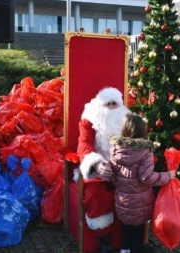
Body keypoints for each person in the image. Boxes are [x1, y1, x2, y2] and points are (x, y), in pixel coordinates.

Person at [108, 114, 175, 253]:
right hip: (140, 201)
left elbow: (112, 174)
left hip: (122, 199)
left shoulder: (116, 148)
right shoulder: (145, 151)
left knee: (126, 226)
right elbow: (146, 178)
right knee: (138, 229)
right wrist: (166, 176)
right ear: (142, 130)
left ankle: (124, 249)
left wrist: (120, 185)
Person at [77, 87, 130, 252]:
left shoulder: (128, 120)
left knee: (138, 193)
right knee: (97, 194)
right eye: (109, 104)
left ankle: (132, 241)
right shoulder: (89, 120)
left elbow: (137, 142)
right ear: (101, 106)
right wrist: (97, 164)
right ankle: (104, 241)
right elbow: (84, 145)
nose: (112, 107)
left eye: (115, 104)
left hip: (125, 168)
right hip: (100, 168)